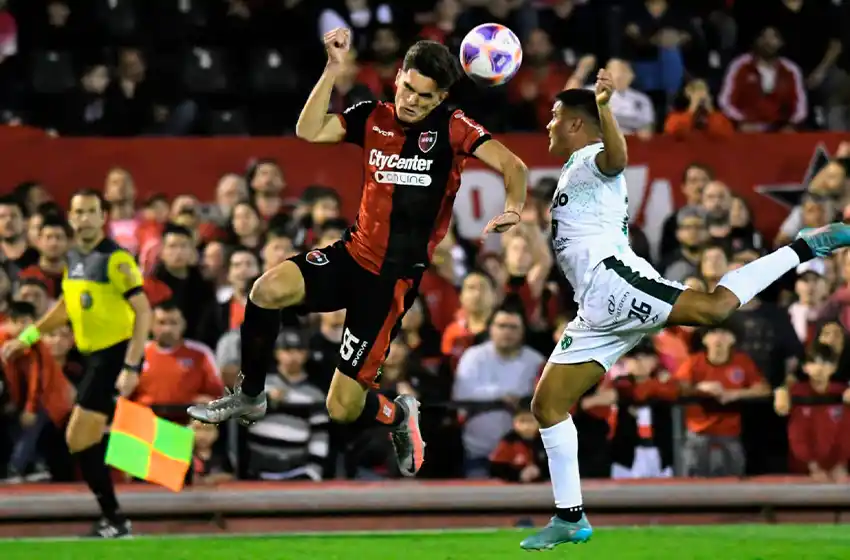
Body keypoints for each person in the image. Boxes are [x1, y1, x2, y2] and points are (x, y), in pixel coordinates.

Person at [520, 72, 850, 550]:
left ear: (577, 123)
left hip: (613, 283)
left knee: (714, 309)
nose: (547, 126)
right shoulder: (575, 164)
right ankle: (569, 516)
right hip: (593, 310)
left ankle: (804, 247)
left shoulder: (594, 156)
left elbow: (618, 158)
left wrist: (606, 108)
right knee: (546, 405)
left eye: (555, 118)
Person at [187, 28, 528, 478]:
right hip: (352, 255)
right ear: (399, 76)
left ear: (440, 97)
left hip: (389, 283)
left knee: (342, 407)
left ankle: (398, 415)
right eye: (407, 88)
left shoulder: (454, 127)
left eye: (424, 98)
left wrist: (513, 208)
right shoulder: (372, 116)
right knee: (264, 290)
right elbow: (308, 129)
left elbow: (513, 165)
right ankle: (250, 393)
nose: (411, 101)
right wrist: (332, 69)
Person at [1, 189, 152, 538]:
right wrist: (26, 338)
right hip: (91, 357)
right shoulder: (74, 257)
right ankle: (117, 513)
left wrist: (130, 366)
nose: (84, 218)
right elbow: (67, 307)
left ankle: (116, 517)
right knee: (81, 438)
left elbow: (143, 312)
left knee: (77, 437)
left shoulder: (116, 260)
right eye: (78, 211)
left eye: (91, 212)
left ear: (103, 218)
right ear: (71, 217)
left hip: (112, 355)